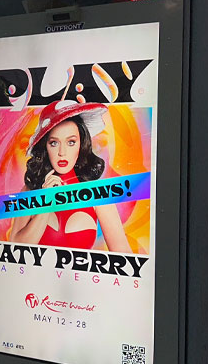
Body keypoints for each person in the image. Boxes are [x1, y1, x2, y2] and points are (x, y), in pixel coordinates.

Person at [8, 100, 132, 252]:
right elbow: (15, 249)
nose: (62, 152)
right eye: (54, 143)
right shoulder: (29, 190)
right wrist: (45, 205)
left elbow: (124, 256)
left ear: (82, 144)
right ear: (45, 147)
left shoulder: (98, 194)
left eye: (71, 142)